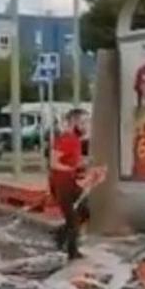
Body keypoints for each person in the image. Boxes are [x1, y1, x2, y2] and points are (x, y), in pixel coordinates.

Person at [49, 109, 89, 260]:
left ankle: (60, 235)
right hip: (63, 184)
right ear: (74, 122)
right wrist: (72, 168)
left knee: (85, 211)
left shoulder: (75, 141)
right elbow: (54, 162)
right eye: (84, 122)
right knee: (73, 220)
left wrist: (84, 163)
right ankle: (72, 253)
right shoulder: (67, 139)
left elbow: (71, 160)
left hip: (71, 183)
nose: (86, 126)